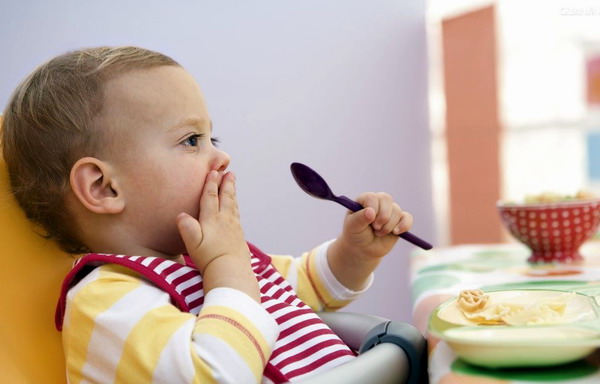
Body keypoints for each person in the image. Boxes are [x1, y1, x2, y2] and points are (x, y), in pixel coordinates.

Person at [1, 46, 414, 383]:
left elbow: (307, 287)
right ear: (104, 187)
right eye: (191, 139)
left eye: (210, 136)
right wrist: (227, 267)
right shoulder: (106, 303)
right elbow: (215, 376)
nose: (221, 155)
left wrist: (356, 252)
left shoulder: (218, 262)